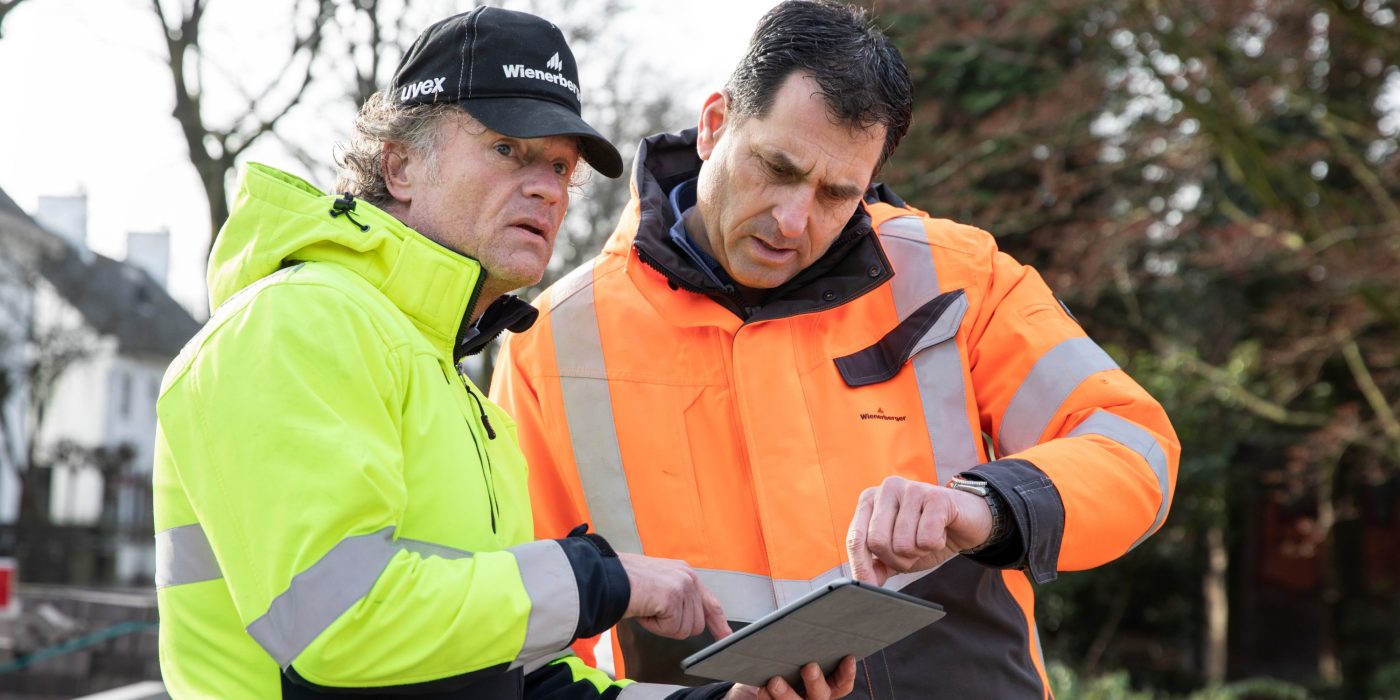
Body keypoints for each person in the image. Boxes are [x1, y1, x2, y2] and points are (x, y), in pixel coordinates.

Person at [152, 7, 855, 699]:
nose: (547, 187)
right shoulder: (297, 322)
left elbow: (514, 677)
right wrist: (601, 580)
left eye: (560, 165)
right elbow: (343, 625)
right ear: (399, 164)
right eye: (507, 150)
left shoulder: (458, 394)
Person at [491, 1, 1182, 697]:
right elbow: (523, 633)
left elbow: (1134, 449)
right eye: (777, 168)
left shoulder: (961, 278)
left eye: (836, 193)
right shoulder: (553, 339)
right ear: (714, 125)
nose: (793, 221)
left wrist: (986, 509)